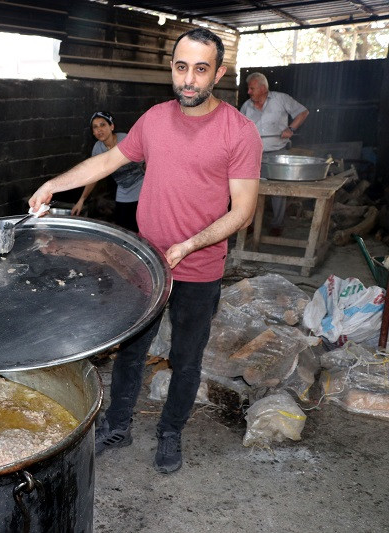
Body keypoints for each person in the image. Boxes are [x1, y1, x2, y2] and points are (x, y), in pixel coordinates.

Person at [28, 27, 262, 474]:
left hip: (199, 267)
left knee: (186, 359)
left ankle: (171, 432)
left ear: (219, 73)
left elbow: (244, 210)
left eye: (200, 70)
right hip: (146, 264)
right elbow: (106, 161)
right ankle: (118, 424)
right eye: (181, 68)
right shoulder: (154, 120)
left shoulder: (240, 132)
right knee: (132, 351)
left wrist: (191, 244)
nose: (189, 80)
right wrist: (53, 185)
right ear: (171, 69)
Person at [240, 72, 309, 236]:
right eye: (248, 88)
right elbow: (239, 128)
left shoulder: (281, 99)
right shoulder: (246, 106)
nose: (249, 92)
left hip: (277, 153)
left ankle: (277, 224)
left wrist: (291, 128)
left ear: (263, 88)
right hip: (253, 155)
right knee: (251, 189)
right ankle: (249, 222)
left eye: (252, 88)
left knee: (277, 190)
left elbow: (303, 112)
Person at [71, 111, 144, 232]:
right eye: (95, 127)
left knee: (141, 226)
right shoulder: (98, 148)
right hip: (124, 191)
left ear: (112, 126)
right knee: (123, 229)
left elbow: (146, 157)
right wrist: (81, 200)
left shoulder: (125, 139)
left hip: (142, 187)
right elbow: (93, 176)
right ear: (93, 133)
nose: (99, 129)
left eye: (103, 125)